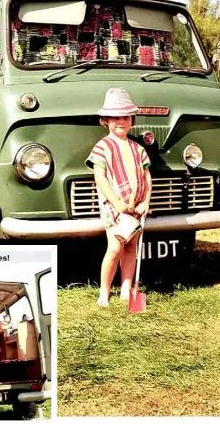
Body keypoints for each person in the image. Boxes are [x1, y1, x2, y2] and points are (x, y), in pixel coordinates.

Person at [86, 87, 152, 307]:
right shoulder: (103, 147)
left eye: (125, 116)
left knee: (131, 247)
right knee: (115, 248)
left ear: (132, 119)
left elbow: (146, 177)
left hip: (135, 206)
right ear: (105, 120)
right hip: (114, 208)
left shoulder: (138, 149)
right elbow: (100, 177)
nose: (120, 121)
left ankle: (126, 288)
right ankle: (104, 292)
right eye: (114, 117)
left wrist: (145, 202)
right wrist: (116, 201)